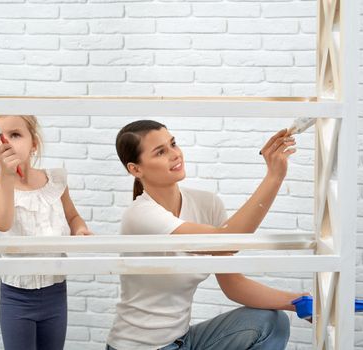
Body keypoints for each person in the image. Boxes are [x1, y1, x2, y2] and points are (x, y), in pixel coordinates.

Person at [107, 120, 308, 350]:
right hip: (138, 347)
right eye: (161, 152)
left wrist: (299, 302)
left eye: (173, 144)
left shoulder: (206, 204)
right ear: (135, 169)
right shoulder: (141, 215)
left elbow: (234, 284)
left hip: (184, 341)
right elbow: (227, 242)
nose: (175, 154)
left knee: (271, 323)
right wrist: (274, 177)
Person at [0, 115, 92, 350]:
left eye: (16, 134)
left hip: (56, 292)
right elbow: (2, 223)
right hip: (16, 297)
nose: (6, 142)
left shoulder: (55, 181)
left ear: (34, 144)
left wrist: (79, 229)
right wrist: (7, 177)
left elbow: (72, 216)